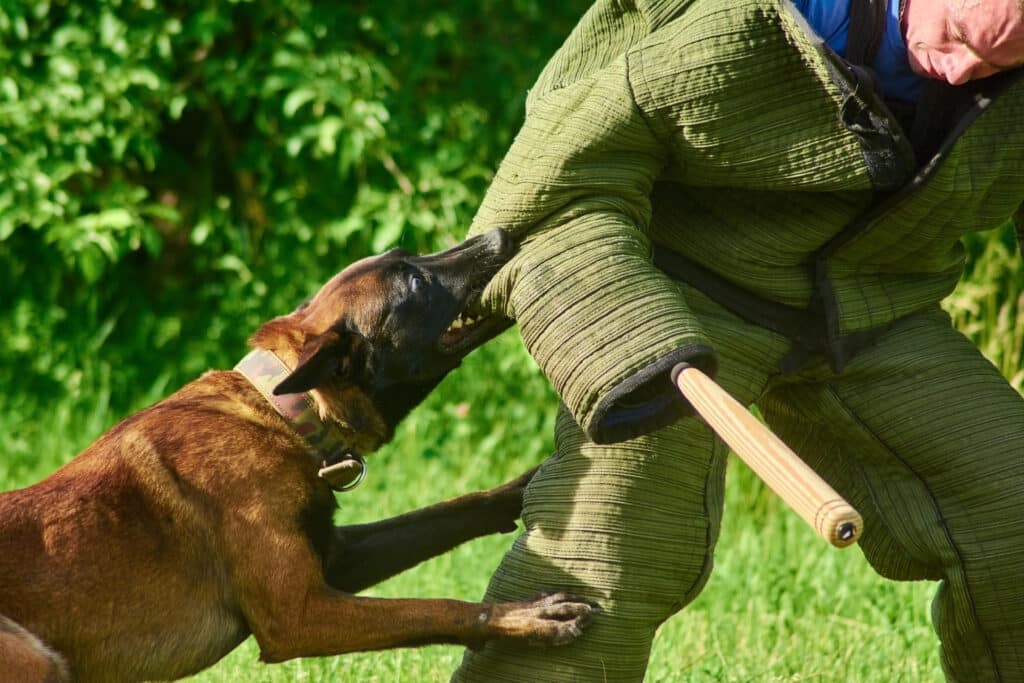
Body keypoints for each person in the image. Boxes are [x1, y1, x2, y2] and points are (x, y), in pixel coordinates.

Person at [449, 0, 1024, 681]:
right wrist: (622, 332)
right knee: (602, 562)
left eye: (999, 61)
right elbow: (552, 181)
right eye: (958, 38)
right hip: (673, 299)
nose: (965, 70)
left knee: (1013, 517)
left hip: (875, 312)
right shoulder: (743, 16)